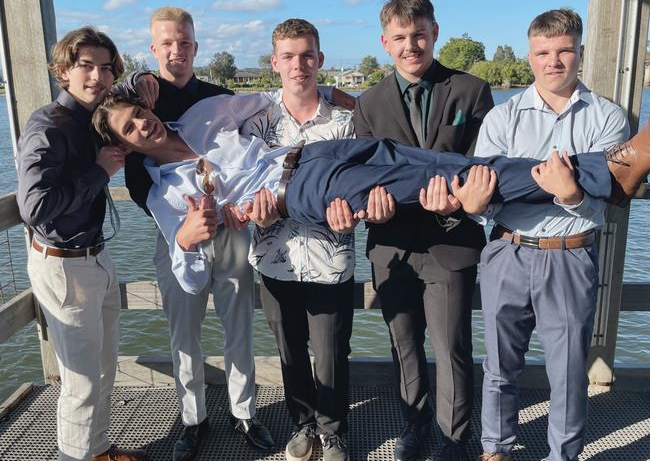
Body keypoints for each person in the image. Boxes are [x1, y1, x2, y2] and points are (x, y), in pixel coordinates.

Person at [92, 90, 650, 294]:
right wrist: (188, 244)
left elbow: (265, 98)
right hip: (305, 189)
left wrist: (337, 94)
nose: (144, 125)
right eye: (130, 129)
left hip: (317, 153)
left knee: (455, 163)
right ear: (127, 147)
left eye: (140, 113)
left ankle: (598, 171)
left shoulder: (201, 117)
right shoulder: (164, 195)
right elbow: (188, 284)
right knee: (439, 183)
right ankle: (609, 171)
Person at [469, 9, 630, 461]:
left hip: (570, 255)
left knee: (568, 370)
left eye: (563, 50)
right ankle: (495, 448)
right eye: (543, 52)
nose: (553, 61)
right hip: (507, 250)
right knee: (499, 365)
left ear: (580, 52)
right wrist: (479, 206)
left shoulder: (607, 118)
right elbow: (486, 192)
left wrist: (573, 194)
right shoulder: (502, 118)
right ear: (530, 56)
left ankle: (564, 459)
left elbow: (606, 200)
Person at [120, 6, 274, 461]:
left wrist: (234, 201)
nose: (177, 50)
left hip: (230, 228)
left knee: (239, 325)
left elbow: (251, 153)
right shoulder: (137, 103)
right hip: (176, 233)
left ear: (195, 46)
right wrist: (178, 223)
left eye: (184, 42)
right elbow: (133, 175)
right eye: (167, 43)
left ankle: (243, 412)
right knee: (182, 332)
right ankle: (192, 419)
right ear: (153, 48)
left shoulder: (219, 95)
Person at [238, 18, 393, 461]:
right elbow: (242, 187)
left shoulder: (348, 124)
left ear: (320, 59)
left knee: (330, 351)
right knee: (289, 349)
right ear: (274, 63)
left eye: (307, 55)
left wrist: (356, 214)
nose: (299, 65)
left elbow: (363, 187)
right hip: (275, 257)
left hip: (331, 259)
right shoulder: (255, 126)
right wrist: (254, 209)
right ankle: (302, 425)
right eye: (288, 56)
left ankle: (334, 432)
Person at [352, 0, 494, 461]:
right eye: (400, 38)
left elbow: (485, 166)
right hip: (390, 245)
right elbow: (363, 175)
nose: (410, 45)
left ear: (435, 33)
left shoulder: (471, 91)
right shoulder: (368, 104)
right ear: (384, 43)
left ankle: (455, 439)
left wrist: (456, 203)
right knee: (404, 345)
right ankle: (414, 425)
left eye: (419, 35)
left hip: (451, 241)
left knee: (451, 346)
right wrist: (371, 208)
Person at [15, 27, 147, 461]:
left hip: (95, 255)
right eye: (85, 65)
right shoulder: (48, 125)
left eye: (106, 67)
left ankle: (97, 450)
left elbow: (125, 95)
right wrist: (97, 171)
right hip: (64, 265)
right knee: (80, 382)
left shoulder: (94, 114)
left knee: (106, 366)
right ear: (62, 70)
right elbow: (34, 206)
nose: (97, 75)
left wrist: (139, 82)